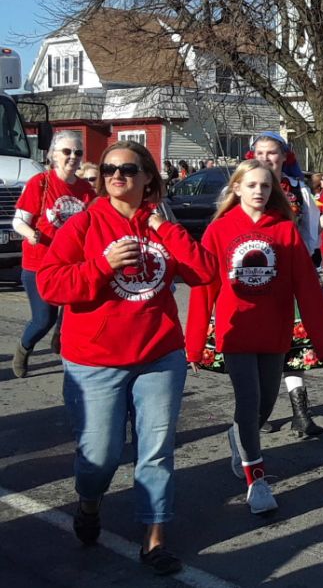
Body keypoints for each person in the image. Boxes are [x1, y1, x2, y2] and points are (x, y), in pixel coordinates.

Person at [37, 141, 216, 575]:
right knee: (100, 454)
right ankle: (90, 501)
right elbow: (50, 285)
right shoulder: (83, 225)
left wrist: (162, 224)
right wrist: (102, 264)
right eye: (111, 169)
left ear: (148, 177)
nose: (118, 176)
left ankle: (154, 540)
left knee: (155, 451)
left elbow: (204, 271)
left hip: (159, 355)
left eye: (129, 169)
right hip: (96, 360)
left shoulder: (160, 225)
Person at [186, 160, 323, 514]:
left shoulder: (285, 231)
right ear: (236, 188)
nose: (259, 191)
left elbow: (308, 288)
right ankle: (258, 481)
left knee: (266, 402)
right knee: (249, 400)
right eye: (251, 185)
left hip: (275, 331)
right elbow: (203, 290)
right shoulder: (219, 230)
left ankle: (239, 436)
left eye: (265, 186)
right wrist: (193, 345)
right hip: (235, 331)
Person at [247, 131, 323, 438]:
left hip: (292, 276)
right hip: (256, 278)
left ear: (284, 156)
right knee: (258, 346)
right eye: (260, 152)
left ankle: (301, 414)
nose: (266, 157)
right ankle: (257, 411)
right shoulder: (241, 187)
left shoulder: (298, 189)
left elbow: (309, 236)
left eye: (272, 152)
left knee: (295, 346)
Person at [10, 130, 96, 378]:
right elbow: (19, 220)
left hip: (72, 264)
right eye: (67, 152)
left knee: (74, 311)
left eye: (78, 153)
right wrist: (31, 233)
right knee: (42, 319)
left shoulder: (85, 189)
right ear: (53, 156)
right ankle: (24, 349)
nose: (73, 157)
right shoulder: (40, 183)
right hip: (40, 263)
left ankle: (63, 342)